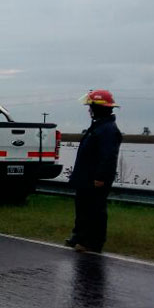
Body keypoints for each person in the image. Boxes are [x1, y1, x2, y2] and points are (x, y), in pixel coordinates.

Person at [65, 89, 122, 253]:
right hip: (85, 177)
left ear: (99, 107)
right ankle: (79, 237)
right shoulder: (98, 126)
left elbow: (108, 156)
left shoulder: (108, 129)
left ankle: (93, 243)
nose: (89, 110)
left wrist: (101, 177)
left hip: (96, 179)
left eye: (91, 106)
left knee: (95, 211)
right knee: (83, 208)